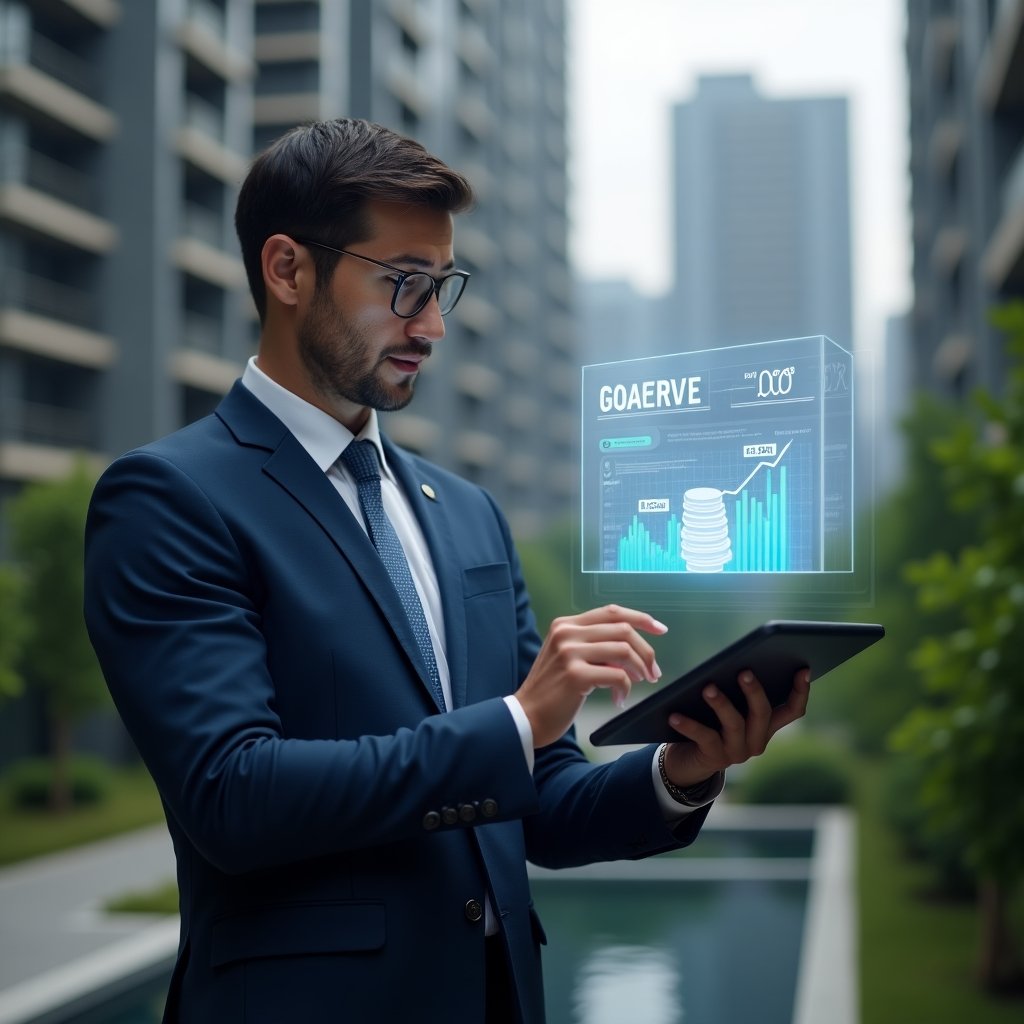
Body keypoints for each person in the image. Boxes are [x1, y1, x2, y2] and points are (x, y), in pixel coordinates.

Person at [83, 118, 811, 1024]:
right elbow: (234, 795)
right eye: (403, 285)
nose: (430, 324)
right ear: (286, 269)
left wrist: (680, 767)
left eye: (441, 287)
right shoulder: (169, 498)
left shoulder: (467, 514)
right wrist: (514, 719)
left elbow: (537, 796)